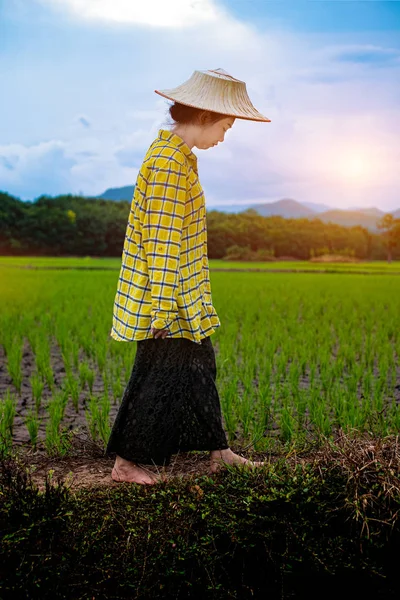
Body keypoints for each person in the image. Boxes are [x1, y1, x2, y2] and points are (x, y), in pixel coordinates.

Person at [106, 68, 271, 485]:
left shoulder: (179, 158)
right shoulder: (167, 164)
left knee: (200, 368)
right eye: (226, 126)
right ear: (204, 116)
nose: (224, 136)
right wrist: (162, 308)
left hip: (186, 294)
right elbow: (161, 241)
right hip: (168, 296)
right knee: (158, 375)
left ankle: (220, 451)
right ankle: (128, 464)